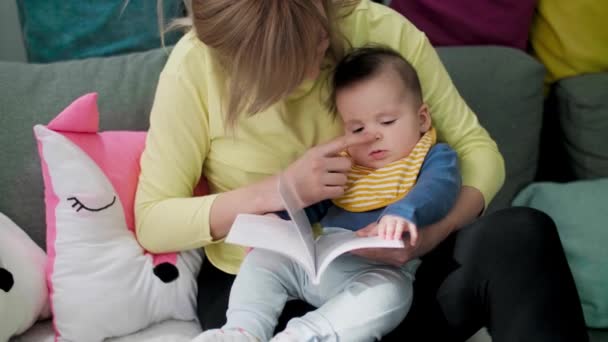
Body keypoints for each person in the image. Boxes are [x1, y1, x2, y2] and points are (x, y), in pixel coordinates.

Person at [135, 1, 588, 341]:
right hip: (264, 291)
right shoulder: (195, 69)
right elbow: (154, 221)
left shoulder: (376, 28)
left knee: (521, 234)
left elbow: (477, 151)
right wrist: (279, 190)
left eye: (319, 44)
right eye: (289, 69)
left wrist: (432, 234)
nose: (317, 68)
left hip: (387, 274)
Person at [192, 46, 462, 341]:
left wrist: (403, 212)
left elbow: (438, 190)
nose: (373, 136)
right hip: (317, 262)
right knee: (263, 260)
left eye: (387, 122)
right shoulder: (347, 165)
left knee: (392, 294)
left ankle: (305, 335)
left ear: (422, 119)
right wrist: (280, 222)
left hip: (376, 270)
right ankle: (242, 331)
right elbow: (313, 206)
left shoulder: (433, 157)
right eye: (357, 129)